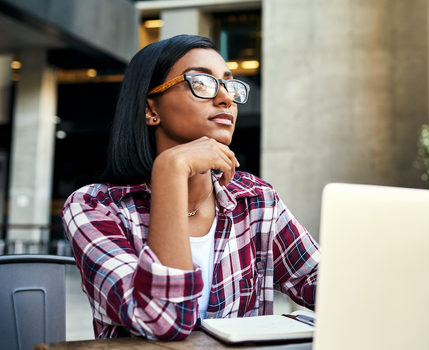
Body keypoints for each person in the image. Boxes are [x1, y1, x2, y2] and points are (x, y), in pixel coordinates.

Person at [61, 35, 320, 340]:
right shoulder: (93, 208)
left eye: (229, 85)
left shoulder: (255, 198)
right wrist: (171, 170)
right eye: (201, 82)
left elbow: (318, 282)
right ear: (150, 110)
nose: (226, 98)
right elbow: (163, 320)